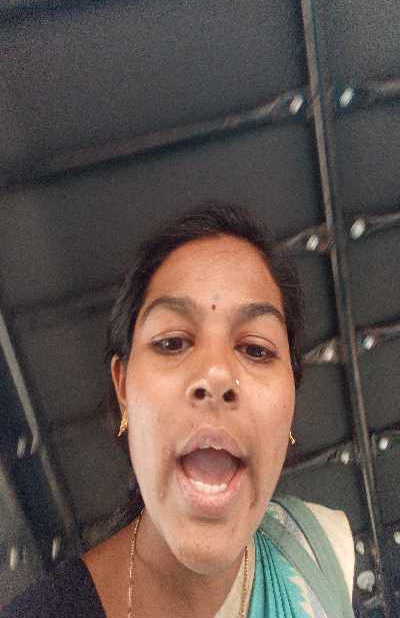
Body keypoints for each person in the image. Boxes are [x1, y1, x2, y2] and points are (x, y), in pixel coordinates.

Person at [1, 203, 355, 618]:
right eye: (172, 342)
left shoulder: (322, 547)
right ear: (123, 389)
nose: (217, 374)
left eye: (256, 349)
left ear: (290, 402)